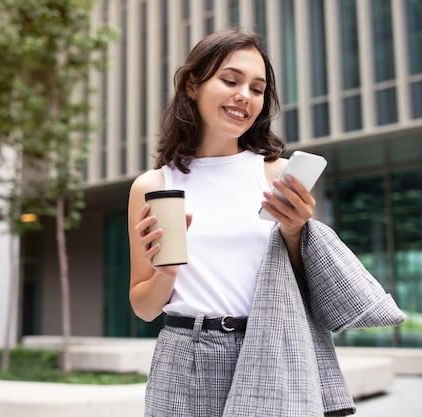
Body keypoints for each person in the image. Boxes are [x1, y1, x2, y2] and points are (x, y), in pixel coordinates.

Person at [127, 28, 318, 416]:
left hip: (267, 350)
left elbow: (307, 287)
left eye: (257, 88)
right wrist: (165, 274)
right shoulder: (154, 186)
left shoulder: (278, 175)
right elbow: (144, 308)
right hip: (183, 358)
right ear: (193, 86)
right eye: (231, 80)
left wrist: (297, 231)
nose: (244, 96)